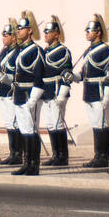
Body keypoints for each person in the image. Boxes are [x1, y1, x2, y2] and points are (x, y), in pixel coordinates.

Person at [75, 15, 109, 169]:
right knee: (95, 124)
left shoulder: (105, 50)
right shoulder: (88, 51)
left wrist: (107, 93)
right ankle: (97, 155)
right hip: (89, 91)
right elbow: (85, 72)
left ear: (98, 32)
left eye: (90, 30)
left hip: (100, 91)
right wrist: (74, 77)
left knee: (102, 124)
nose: (87, 33)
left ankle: (103, 156)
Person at [9, 12, 44, 176]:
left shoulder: (35, 50)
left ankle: (33, 165)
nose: (18, 31)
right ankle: (26, 162)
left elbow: (39, 77)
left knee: (31, 129)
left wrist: (33, 99)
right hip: (19, 93)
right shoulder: (20, 50)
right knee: (23, 129)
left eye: (21, 29)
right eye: (17, 29)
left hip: (29, 94)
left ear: (30, 30)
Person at [38, 16, 72, 166]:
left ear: (57, 34)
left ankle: (62, 156)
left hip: (57, 90)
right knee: (51, 124)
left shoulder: (62, 51)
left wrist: (62, 94)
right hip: (46, 91)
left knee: (58, 123)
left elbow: (66, 73)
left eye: (49, 31)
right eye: (45, 31)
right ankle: (55, 154)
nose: (45, 34)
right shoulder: (45, 51)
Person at [0, 19, 23, 165]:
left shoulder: (18, 52)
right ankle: (13, 152)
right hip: (3, 90)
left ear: (13, 37)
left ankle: (18, 153)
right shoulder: (4, 52)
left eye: (6, 35)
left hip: (12, 89)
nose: (3, 37)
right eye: (3, 35)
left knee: (15, 123)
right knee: (8, 122)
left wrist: (5, 78)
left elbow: (18, 73)